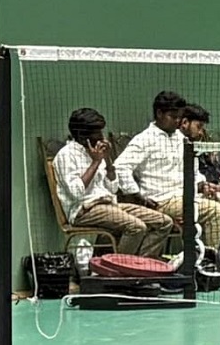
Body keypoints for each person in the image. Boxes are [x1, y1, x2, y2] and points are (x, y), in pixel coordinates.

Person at [51, 108, 175, 257]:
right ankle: (117, 267)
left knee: (164, 222)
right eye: (97, 133)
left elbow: (113, 188)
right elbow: (76, 193)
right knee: (136, 227)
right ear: (83, 136)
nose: (101, 137)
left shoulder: (96, 151)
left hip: (109, 204)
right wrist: (96, 162)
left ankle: (142, 264)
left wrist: (107, 160)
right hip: (84, 210)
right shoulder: (66, 155)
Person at [116, 90, 220, 250]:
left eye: (179, 117)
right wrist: (137, 196)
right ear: (159, 113)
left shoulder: (182, 140)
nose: (177, 121)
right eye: (173, 117)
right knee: (214, 210)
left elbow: (193, 171)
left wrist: (203, 185)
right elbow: (120, 167)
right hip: (161, 201)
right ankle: (214, 259)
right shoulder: (144, 140)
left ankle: (207, 257)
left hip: (185, 197)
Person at [179, 105, 220, 199]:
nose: (201, 133)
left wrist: (219, 180)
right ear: (185, 123)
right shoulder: (175, 147)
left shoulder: (198, 147)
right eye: (198, 127)